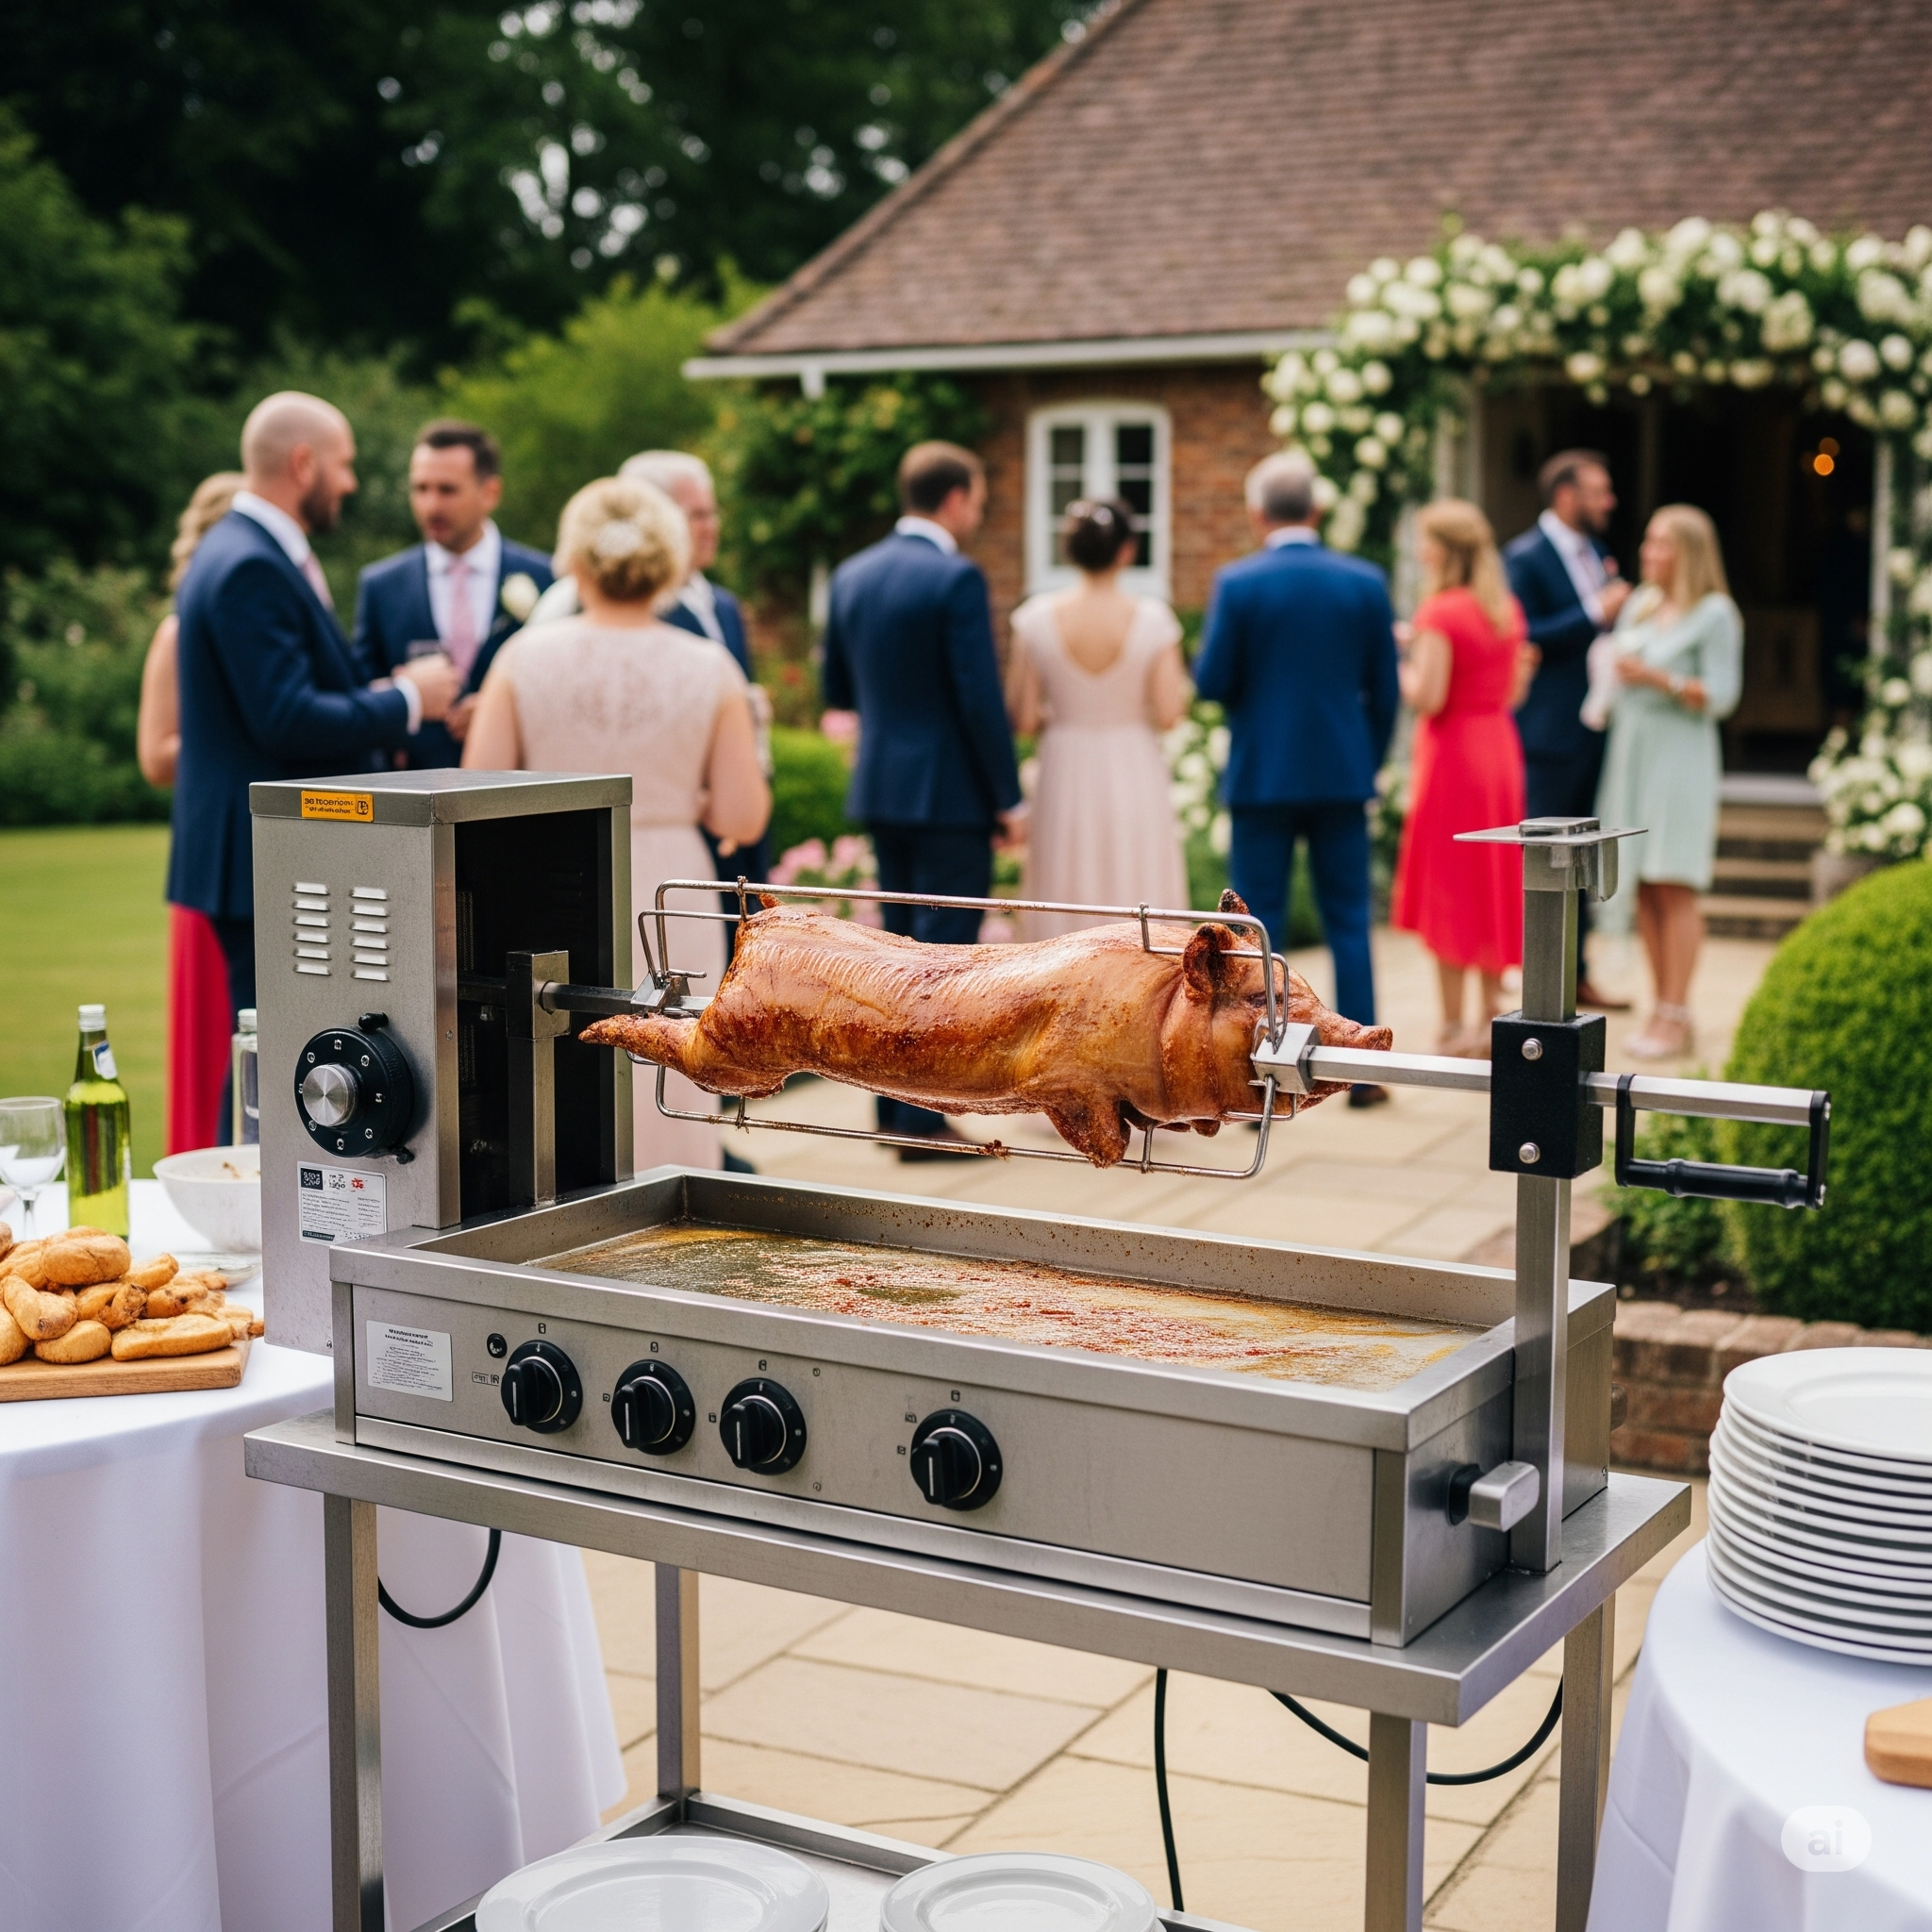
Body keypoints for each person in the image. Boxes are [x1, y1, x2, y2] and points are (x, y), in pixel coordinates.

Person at [169, 392, 461, 1127]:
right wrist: (406, 699)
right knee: (269, 1050)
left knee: (271, 1041)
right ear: (304, 463)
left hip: (257, 852)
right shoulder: (250, 564)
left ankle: (256, 1181)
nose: (351, 482)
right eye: (344, 464)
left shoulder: (241, 550)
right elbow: (284, 718)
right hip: (260, 854)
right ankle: (247, 1187)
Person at [463, 476, 770, 1172]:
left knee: (556, 1050)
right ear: (668, 560)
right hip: (671, 885)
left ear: (575, 558)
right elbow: (742, 815)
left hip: (551, 872)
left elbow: (478, 790)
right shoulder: (710, 665)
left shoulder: (522, 658)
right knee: (672, 1054)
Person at [820, 441, 1024, 1156]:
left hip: (882, 786)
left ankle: (891, 1110)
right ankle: (921, 1122)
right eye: (979, 501)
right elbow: (979, 700)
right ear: (955, 499)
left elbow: (837, 688)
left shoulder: (851, 574)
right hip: (949, 796)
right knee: (942, 966)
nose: (979, 513)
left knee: (893, 958)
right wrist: (1009, 799)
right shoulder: (955, 577)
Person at [1193, 451, 1400, 1108]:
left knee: (1258, 931)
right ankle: (1362, 1073)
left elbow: (1211, 681)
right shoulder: (1363, 581)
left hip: (1264, 774)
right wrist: (1365, 758)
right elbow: (1387, 691)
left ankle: (1260, 1070)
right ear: (1317, 510)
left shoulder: (1238, 583)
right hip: (1342, 774)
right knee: (1350, 923)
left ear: (1259, 514)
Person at [1594, 505, 1743, 1059]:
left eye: (1661, 543)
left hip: (1680, 761)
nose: (1648, 552)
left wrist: (1659, 678)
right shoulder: (1642, 603)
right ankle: (1660, 1007)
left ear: (1689, 552)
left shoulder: (1716, 613)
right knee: (1643, 884)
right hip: (1632, 754)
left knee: (1674, 882)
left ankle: (1677, 1012)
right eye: (1648, 540)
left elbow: (1723, 696)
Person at [1390, 501, 1536, 1054]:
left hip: (1453, 755)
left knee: (1451, 882)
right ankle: (1491, 1014)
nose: (1420, 551)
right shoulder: (1504, 609)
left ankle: (1453, 1026)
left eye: (1426, 541)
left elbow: (1429, 696)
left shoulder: (1440, 612)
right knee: (1493, 876)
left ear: (1445, 550)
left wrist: (1400, 663)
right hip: (1498, 748)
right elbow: (1513, 691)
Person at [1007, 497, 1189, 939]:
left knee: (1065, 875)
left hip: (1065, 763)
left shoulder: (1034, 620)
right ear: (1126, 550)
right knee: (1136, 873)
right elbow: (1170, 713)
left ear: (1070, 550)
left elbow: (1023, 717)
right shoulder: (1154, 620)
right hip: (1132, 761)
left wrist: (1062, 713)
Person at [1504, 450, 1633, 1011]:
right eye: (1598, 491)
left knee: (1584, 854)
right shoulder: (1524, 556)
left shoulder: (1598, 552)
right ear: (1565, 495)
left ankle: (1576, 975)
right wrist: (1596, 610)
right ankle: (1536, 981)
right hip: (1549, 730)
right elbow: (1525, 631)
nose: (1609, 501)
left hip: (1596, 725)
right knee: (1547, 857)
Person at [137, 472, 243, 1151]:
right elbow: (155, 755)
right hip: (217, 856)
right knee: (212, 1028)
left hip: (261, 854)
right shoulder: (178, 633)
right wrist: (233, 739)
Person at [351, 420, 554, 767]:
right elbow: (359, 692)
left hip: (517, 784)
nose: (431, 506)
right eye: (420, 489)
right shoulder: (381, 585)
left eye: (447, 490)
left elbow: (564, 687)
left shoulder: (546, 577)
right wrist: (403, 696)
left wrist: (499, 712)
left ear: (490, 493)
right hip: (415, 787)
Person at [622, 450, 771, 894]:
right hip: (677, 822)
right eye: (697, 515)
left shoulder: (724, 604)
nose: (712, 527)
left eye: (713, 513)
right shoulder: (639, 614)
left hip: (737, 812)